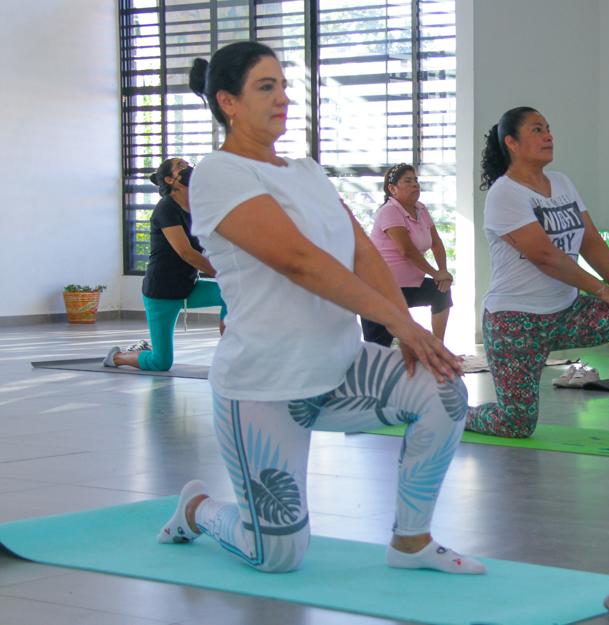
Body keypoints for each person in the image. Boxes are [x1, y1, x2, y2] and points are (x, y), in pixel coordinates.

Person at [155, 41, 483, 576]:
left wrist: (403, 329)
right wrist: (403, 322)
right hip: (263, 388)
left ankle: (411, 540)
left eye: (284, 86)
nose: (283, 98)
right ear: (228, 102)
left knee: (442, 389)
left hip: (338, 370)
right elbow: (299, 261)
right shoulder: (218, 173)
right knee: (277, 555)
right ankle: (197, 509)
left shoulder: (305, 170)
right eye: (266, 87)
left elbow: (359, 250)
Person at [466, 106, 609, 443]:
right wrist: (600, 290)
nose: (548, 135)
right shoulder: (504, 193)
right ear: (512, 142)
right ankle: (451, 413)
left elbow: (590, 239)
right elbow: (545, 256)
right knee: (516, 423)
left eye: (548, 128)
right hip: (515, 322)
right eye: (537, 130)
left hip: (566, 313)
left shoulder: (562, 183)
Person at [103, 157, 226, 371]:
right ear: (169, 180)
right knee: (161, 362)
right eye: (181, 166)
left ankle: (229, 352)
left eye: (188, 165)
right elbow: (185, 252)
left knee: (232, 292)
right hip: (161, 292)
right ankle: (118, 357)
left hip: (188, 287)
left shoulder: (197, 208)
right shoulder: (166, 208)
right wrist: (220, 272)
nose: (187, 168)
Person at [361, 164, 454, 346]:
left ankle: (438, 346)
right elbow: (407, 250)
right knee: (379, 350)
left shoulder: (421, 209)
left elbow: (436, 243)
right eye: (408, 181)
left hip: (408, 287)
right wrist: (435, 274)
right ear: (392, 189)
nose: (415, 185)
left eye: (416, 180)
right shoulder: (389, 211)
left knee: (441, 292)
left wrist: (442, 272)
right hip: (381, 289)